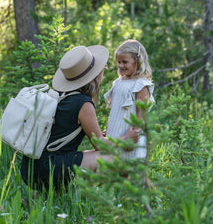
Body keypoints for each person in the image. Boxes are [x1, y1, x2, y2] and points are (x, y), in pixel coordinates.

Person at [20, 45, 141, 191]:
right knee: (114, 159)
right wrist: (126, 138)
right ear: (94, 75)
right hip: (49, 168)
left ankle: (42, 199)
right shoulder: (83, 103)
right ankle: (122, 199)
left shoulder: (59, 95)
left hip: (29, 168)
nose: (104, 69)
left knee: (71, 157)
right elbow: (100, 145)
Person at [104, 39, 155, 160]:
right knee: (111, 168)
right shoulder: (117, 83)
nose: (121, 65)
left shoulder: (140, 85)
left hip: (130, 136)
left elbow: (141, 115)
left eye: (125, 62)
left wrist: (132, 138)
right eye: (119, 62)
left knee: (127, 171)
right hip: (115, 134)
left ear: (137, 62)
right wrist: (107, 129)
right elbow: (114, 111)